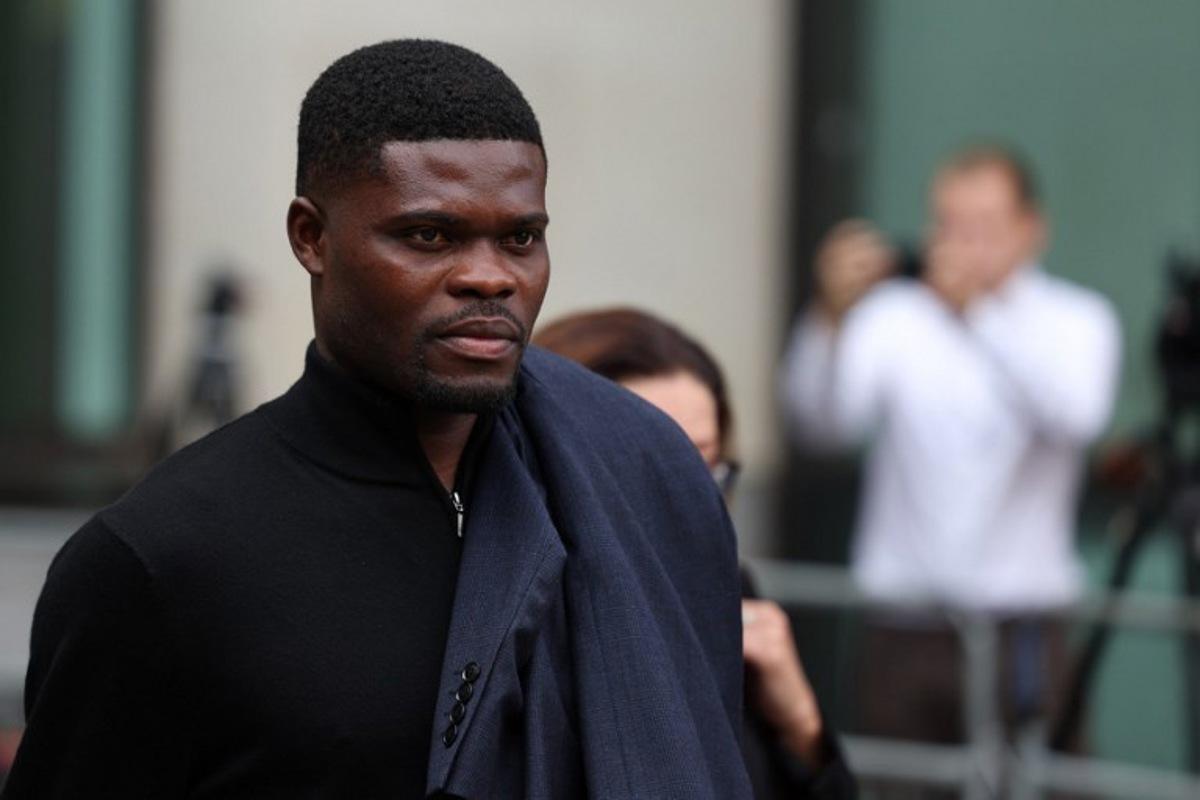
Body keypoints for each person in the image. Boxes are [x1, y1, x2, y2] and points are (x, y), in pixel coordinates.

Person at [4, 40, 752, 799]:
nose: (490, 276)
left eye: (521, 237)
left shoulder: (640, 485)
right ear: (311, 237)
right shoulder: (160, 561)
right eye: (430, 236)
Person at [780, 146, 1121, 752]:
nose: (960, 245)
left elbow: (1076, 416)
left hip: (1024, 623)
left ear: (1030, 229)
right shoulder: (892, 317)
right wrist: (828, 317)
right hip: (905, 623)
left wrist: (980, 317)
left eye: (983, 227)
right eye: (948, 225)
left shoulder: (1077, 320)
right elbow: (823, 425)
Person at [535, 308, 857, 800]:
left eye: (708, 472)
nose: (691, 506)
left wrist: (803, 726)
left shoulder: (730, 596)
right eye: (654, 475)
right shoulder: (528, 632)